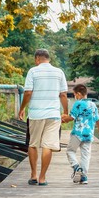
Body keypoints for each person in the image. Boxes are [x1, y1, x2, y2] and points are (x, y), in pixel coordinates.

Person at [19, 48, 68, 186]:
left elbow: (28, 92)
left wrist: (22, 108)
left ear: (37, 59)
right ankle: (42, 178)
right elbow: (63, 94)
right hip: (53, 115)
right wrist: (65, 111)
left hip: (35, 114)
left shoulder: (33, 71)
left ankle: (33, 175)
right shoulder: (59, 72)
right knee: (48, 145)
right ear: (49, 59)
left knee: (33, 144)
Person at [62, 84, 99, 185]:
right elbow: (97, 118)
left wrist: (63, 119)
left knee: (70, 151)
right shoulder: (93, 105)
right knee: (86, 155)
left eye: (75, 94)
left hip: (78, 133)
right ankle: (84, 177)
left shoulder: (78, 104)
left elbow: (72, 117)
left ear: (79, 94)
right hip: (89, 134)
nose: (75, 96)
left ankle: (76, 167)